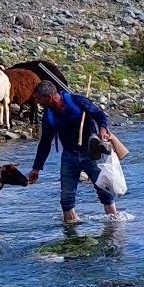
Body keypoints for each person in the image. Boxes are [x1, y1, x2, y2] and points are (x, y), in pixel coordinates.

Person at [28, 80, 117, 223]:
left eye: (39, 99)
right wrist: (36, 168)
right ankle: (70, 228)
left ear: (49, 97)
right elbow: (45, 142)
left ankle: (113, 225)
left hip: (91, 153)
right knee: (66, 197)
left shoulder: (77, 101)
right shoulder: (48, 116)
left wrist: (102, 129)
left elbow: (99, 114)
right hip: (69, 156)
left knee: (104, 190)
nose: (37, 102)